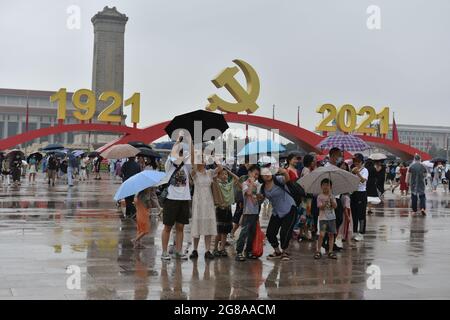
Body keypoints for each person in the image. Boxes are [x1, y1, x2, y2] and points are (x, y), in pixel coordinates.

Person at [161, 135, 191, 261]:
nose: (181, 154)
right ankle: (164, 252)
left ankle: (178, 251)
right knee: (168, 226)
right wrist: (177, 142)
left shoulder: (186, 166)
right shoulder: (169, 164)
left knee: (180, 227)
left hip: (184, 199)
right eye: (179, 152)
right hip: (171, 199)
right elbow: (173, 153)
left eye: (182, 152)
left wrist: (190, 142)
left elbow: (192, 156)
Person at [261, 167, 297, 261]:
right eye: (264, 174)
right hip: (277, 211)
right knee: (270, 232)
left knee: (285, 232)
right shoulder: (262, 187)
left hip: (289, 208)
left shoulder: (278, 179)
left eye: (268, 172)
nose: (267, 175)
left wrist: (284, 172)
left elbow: (287, 179)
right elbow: (261, 199)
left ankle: (285, 252)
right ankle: (277, 251)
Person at [189, 154, 221, 260]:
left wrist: (214, 158)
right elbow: (192, 166)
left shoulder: (209, 173)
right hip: (198, 202)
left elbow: (220, 168)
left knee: (208, 224)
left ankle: (207, 250)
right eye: (200, 160)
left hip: (208, 202)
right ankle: (195, 250)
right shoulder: (194, 174)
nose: (202, 162)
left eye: (203, 160)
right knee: (197, 225)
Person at [235, 164, 261, 262]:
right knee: (244, 232)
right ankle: (239, 252)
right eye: (255, 174)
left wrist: (258, 196)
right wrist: (251, 183)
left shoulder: (258, 184)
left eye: (258, 175)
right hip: (247, 212)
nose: (256, 176)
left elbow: (259, 197)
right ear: (249, 173)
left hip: (255, 212)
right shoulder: (245, 184)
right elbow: (249, 193)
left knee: (252, 233)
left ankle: (248, 251)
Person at [213, 167, 241, 257]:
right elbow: (213, 178)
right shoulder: (217, 184)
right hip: (219, 209)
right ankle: (215, 248)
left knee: (225, 232)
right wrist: (218, 170)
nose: (224, 176)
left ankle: (222, 249)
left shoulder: (229, 185)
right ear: (218, 176)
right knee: (218, 231)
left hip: (228, 209)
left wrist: (229, 171)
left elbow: (238, 179)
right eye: (222, 174)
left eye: (226, 174)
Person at [314, 178, 338, 260]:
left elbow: (335, 206)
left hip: (331, 218)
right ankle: (318, 250)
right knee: (321, 235)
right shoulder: (320, 196)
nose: (326, 187)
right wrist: (325, 203)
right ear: (321, 186)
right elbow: (320, 207)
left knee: (331, 234)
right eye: (324, 185)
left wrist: (331, 200)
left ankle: (330, 251)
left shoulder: (332, 196)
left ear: (330, 187)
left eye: (327, 185)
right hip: (323, 218)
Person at [350, 153, 368, 241]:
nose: (356, 163)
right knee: (354, 213)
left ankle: (361, 233)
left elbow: (363, 181)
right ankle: (354, 231)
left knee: (361, 213)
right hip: (353, 193)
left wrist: (357, 173)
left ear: (361, 161)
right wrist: (352, 172)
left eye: (357, 161)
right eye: (355, 161)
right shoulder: (352, 169)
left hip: (361, 193)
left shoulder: (365, 170)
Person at [338, 162, 353, 242]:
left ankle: (345, 234)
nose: (343, 167)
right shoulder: (337, 176)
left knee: (346, 214)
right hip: (340, 196)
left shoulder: (349, 176)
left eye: (345, 165)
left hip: (346, 196)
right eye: (342, 165)